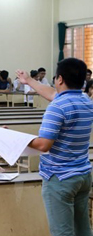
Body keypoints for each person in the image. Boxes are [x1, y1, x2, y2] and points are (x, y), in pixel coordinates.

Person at [16, 58, 93, 236]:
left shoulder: (57, 107)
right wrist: (28, 80)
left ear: (59, 79)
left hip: (60, 178)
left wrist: (18, 139)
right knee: (83, 229)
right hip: (82, 175)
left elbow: (44, 145)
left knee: (62, 232)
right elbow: (52, 93)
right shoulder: (86, 101)